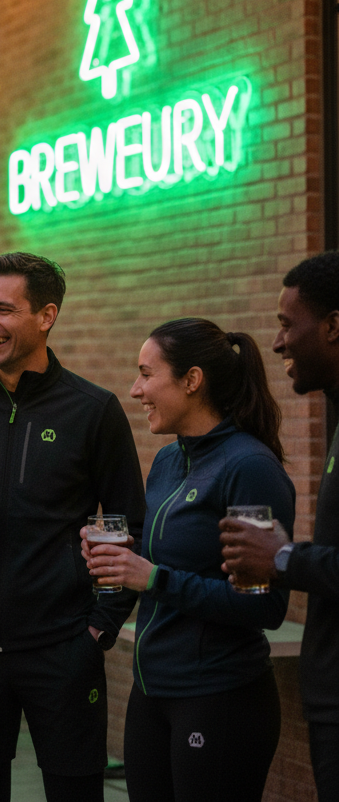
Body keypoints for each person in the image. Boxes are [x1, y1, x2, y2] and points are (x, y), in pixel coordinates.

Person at [0, 252, 146, 802]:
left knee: (75, 789)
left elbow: (128, 523)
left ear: (46, 316)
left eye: (3, 309)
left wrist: (98, 628)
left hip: (61, 645)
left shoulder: (93, 409)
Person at [86, 318, 295, 802]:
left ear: (192, 380)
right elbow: (168, 559)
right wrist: (122, 558)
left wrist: (153, 577)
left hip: (218, 695)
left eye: (145, 373)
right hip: (152, 689)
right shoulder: (167, 461)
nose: (135, 390)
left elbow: (266, 606)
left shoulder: (249, 468)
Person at [220, 251, 339, 800]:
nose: (277, 343)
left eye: (288, 324)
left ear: (334, 326)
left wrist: (285, 558)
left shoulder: (249, 466)